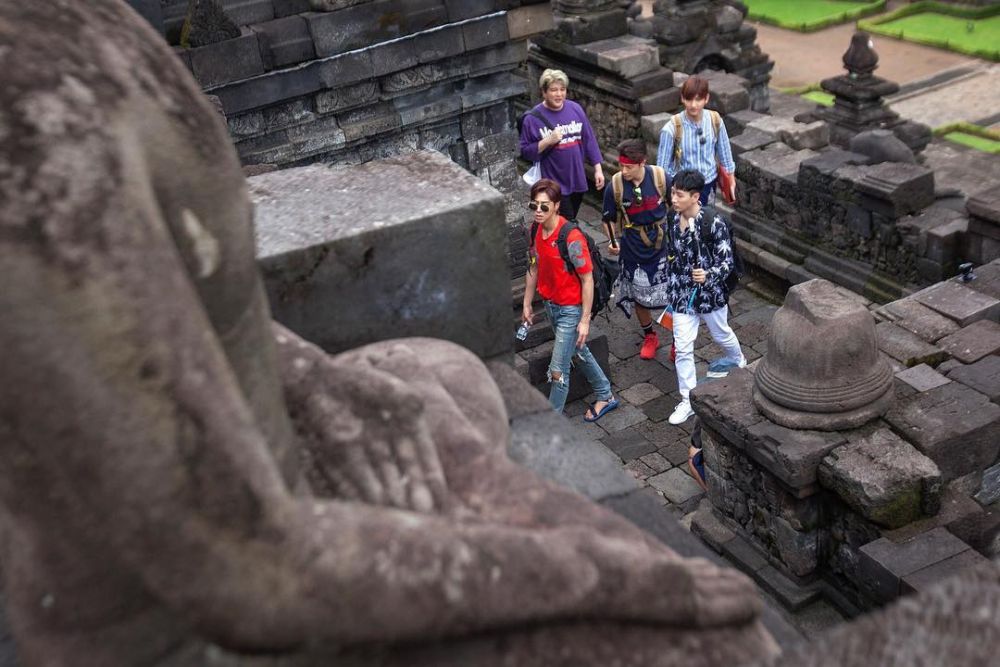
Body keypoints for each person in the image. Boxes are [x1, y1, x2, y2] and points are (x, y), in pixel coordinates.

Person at [522, 179, 618, 421]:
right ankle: (605, 394)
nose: (538, 211)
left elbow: (587, 280)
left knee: (558, 369)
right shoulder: (535, 230)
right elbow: (533, 267)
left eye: (544, 206)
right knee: (578, 348)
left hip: (570, 309)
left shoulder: (571, 238)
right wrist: (526, 303)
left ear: (556, 206)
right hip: (550, 304)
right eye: (534, 206)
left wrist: (584, 320)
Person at [665, 169, 746, 425]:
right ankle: (687, 398)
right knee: (683, 347)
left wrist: (708, 275)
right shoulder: (671, 218)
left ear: (695, 196)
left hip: (709, 294)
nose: (673, 199)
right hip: (681, 294)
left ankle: (738, 359)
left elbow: (726, 263)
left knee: (721, 333)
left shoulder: (713, 222)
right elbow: (672, 252)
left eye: (678, 195)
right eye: (672, 193)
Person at [601, 139, 671, 360]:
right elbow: (608, 218)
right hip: (633, 246)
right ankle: (649, 334)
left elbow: (677, 205)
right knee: (639, 295)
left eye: (629, 167)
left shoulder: (661, 178)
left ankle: (679, 340)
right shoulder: (616, 186)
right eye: (621, 166)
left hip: (663, 244)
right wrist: (612, 240)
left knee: (674, 293)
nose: (624, 171)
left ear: (643, 162)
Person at [519, 69, 605, 221]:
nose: (559, 94)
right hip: (553, 182)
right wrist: (547, 141)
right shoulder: (532, 119)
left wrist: (598, 169)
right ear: (544, 92)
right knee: (568, 221)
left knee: (565, 220)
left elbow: (589, 139)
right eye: (553, 90)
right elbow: (526, 152)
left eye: (562, 89)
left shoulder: (575, 109)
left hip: (577, 178)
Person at [656, 75, 736, 206]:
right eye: (689, 99)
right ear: (682, 98)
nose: (693, 105)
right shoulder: (671, 128)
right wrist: (674, 190)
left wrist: (730, 179)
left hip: (709, 184)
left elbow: (725, 153)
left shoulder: (715, 120)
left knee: (706, 222)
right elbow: (662, 169)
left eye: (698, 100)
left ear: (706, 99)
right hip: (684, 189)